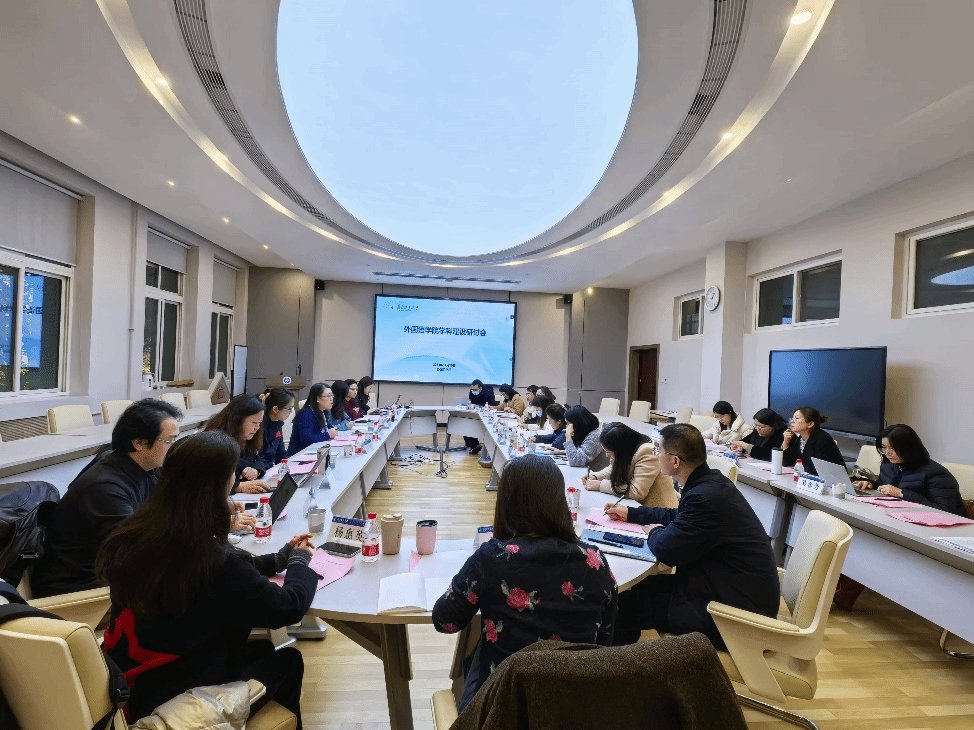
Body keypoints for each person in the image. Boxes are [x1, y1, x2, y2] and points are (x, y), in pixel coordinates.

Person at [97, 431, 317, 725]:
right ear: (220, 483)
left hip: (128, 682)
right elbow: (288, 608)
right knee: (287, 660)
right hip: (175, 699)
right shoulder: (212, 559)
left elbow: (222, 575)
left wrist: (277, 560)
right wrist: (300, 562)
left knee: (262, 649)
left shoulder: (136, 534)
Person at [432, 454, 618, 711]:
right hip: (573, 708)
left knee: (479, 652)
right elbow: (605, 641)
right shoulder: (595, 562)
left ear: (506, 503)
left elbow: (445, 621)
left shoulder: (492, 558)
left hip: (502, 709)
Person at [607, 424, 779, 647]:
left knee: (624, 605)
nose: (656, 456)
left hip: (734, 612)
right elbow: (678, 515)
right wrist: (632, 513)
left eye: (659, 451)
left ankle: (615, 665)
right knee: (633, 593)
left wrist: (655, 531)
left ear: (675, 461)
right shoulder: (709, 482)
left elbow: (666, 550)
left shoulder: (705, 497)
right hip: (724, 586)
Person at [31, 399, 183, 598]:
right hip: (77, 588)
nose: (175, 447)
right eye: (169, 441)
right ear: (138, 443)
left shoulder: (145, 468)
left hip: (108, 573)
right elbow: (139, 550)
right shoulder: (105, 488)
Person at [853, 424, 964, 515]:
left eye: (892, 448)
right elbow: (885, 486)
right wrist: (871, 485)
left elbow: (946, 511)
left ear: (909, 448)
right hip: (898, 516)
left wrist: (901, 493)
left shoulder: (936, 473)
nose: (887, 453)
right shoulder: (888, 466)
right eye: (884, 448)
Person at [582, 422, 678, 508]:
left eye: (609, 452)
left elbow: (637, 492)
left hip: (660, 510)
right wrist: (595, 476)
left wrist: (600, 485)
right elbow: (614, 468)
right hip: (640, 507)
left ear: (620, 449)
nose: (607, 455)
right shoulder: (628, 449)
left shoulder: (647, 451)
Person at [204, 395, 271, 494]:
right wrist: (238, 487)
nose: (257, 427)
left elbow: (258, 458)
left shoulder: (245, 437)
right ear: (237, 420)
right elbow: (208, 481)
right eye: (254, 422)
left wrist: (255, 470)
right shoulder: (215, 441)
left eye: (259, 423)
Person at [781, 407, 845, 475]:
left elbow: (820, 470)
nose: (792, 421)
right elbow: (787, 463)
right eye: (793, 418)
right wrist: (786, 442)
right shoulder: (801, 438)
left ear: (810, 424)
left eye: (797, 418)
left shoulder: (823, 439)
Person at [287, 383, 339, 456]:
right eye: (328, 396)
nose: (331, 399)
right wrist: (328, 435)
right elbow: (306, 439)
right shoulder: (306, 414)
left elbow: (329, 428)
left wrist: (333, 431)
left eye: (332, 395)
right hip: (299, 455)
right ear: (317, 398)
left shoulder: (323, 411)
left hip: (315, 452)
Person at [256, 388, 294, 467]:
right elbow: (259, 457)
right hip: (261, 469)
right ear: (275, 409)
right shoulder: (259, 426)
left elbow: (280, 454)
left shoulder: (277, 424)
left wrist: (287, 466)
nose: (290, 412)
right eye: (289, 409)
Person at [466, 380, 498, 453]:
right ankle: (474, 445)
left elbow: (492, 404)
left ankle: (486, 447)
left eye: (475, 390)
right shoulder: (472, 391)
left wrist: (481, 406)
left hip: (487, 414)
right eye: (472, 389)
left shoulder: (488, 391)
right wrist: (472, 405)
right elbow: (471, 402)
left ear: (480, 388)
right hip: (476, 413)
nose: (473, 391)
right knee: (467, 423)